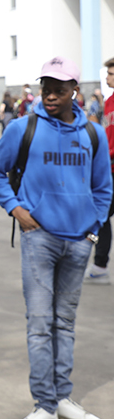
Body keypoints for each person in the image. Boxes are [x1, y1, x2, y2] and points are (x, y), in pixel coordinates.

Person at [0, 56, 112, 419]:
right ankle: (43, 404)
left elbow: (104, 187)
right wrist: (16, 209)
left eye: (59, 89)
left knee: (65, 324)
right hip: (38, 238)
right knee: (40, 324)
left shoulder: (93, 134)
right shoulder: (22, 128)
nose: (51, 95)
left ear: (75, 90)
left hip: (78, 242)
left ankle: (63, 399)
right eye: (46, 88)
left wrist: (94, 228)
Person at [85, 58, 114, 285]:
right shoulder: (109, 102)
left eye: (111, 74)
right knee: (101, 215)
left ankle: (100, 266)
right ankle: (100, 266)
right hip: (109, 168)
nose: (107, 78)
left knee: (101, 215)